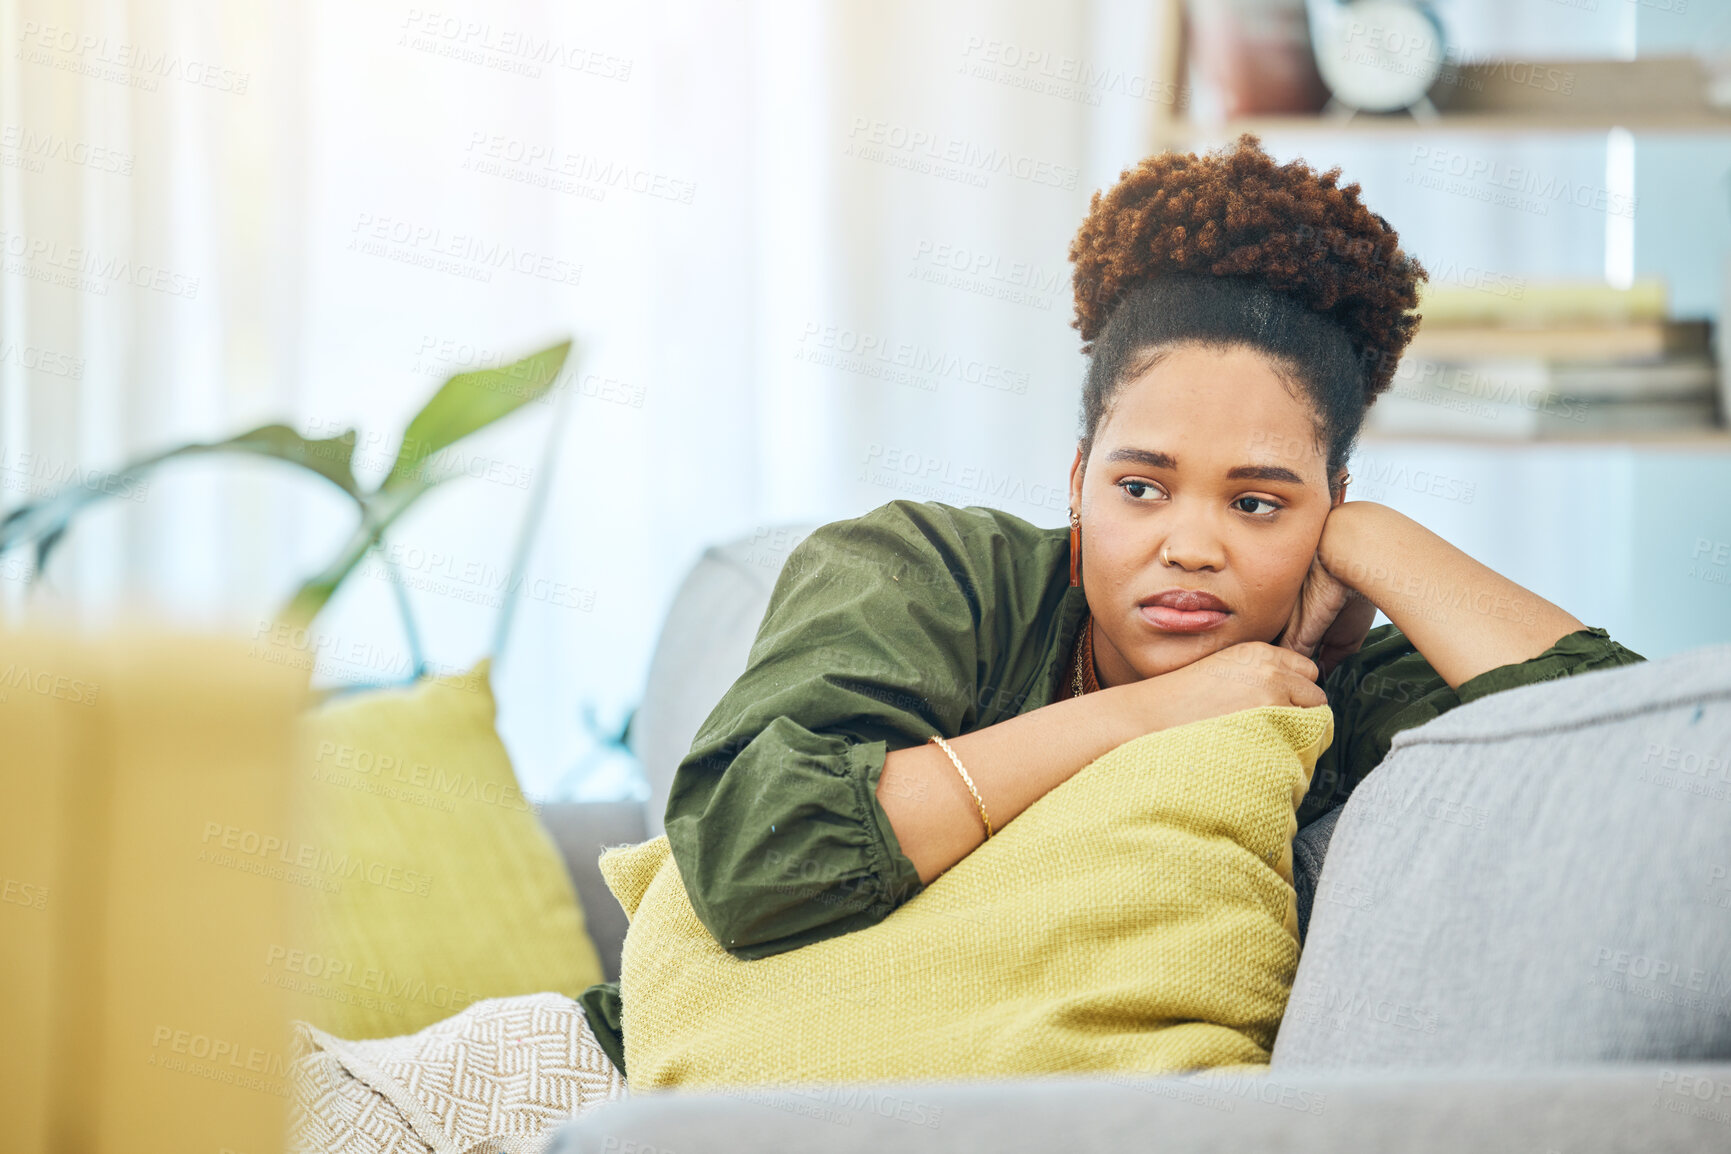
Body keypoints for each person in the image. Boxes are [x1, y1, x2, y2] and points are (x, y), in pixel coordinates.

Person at [292, 133, 1645, 1149]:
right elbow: (758, 853)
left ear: (1323, 508)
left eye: (1259, 500)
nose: (1190, 542)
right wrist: (1149, 714)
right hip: (593, 1092)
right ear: (1073, 481)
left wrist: (1379, 544)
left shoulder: (1338, 677)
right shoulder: (935, 576)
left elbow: (1635, 762)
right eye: (1141, 483)